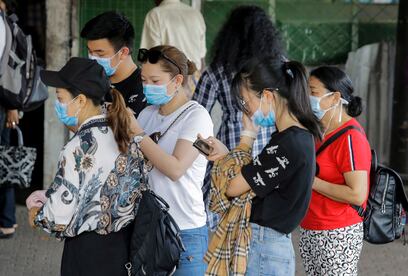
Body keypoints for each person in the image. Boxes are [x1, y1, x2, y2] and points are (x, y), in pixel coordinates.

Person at [25, 57, 147, 276]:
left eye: (60, 98)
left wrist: (36, 214)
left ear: (80, 100)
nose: (58, 104)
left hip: (87, 254)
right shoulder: (125, 135)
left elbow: (58, 217)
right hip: (124, 249)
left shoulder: (76, 148)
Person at [202, 57, 323, 275]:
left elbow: (233, 187)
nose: (247, 112)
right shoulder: (298, 137)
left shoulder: (286, 144)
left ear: (267, 95)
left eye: (246, 102)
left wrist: (247, 137)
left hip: (264, 246)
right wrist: (228, 155)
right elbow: (255, 174)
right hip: (271, 245)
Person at [192, 5, 284, 230]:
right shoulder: (279, 66)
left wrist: (207, 154)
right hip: (271, 149)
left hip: (229, 149)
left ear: (229, 36)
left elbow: (194, 115)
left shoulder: (218, 70)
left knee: (226, 217)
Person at [130, 45, 214, 275]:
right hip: (149, 227)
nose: (147, 87)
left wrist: (138, 134)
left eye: (155, 81)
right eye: (144, 80)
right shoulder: (147, 115)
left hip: (185, 232)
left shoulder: (198, 117)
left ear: (177, 81)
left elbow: (176, 168)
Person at [300, 66, 371, 276]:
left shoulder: (351, 138)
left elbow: (358, 194)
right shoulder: (318, 130)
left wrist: (312, 182)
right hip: (311, 228)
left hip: (337, 232)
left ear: (335, 97)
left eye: (313, 92)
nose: (307, 98)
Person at [81, 11, 146, 117]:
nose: (93, 58)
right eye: (90, 52)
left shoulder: (144, 89)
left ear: (123, 53)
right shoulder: (92, 81)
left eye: (100, 54)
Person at [141, 0, 206, 71]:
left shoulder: (155, 14)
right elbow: (202, 58)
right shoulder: (196, 14)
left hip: (170, 77)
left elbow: (151, 57)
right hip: (194, 77)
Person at [0, 0, 20, 239]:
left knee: (4, 162)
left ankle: (7, 220)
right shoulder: (7, 23)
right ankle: (7, 220)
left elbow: (7, 70)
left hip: (3, 103)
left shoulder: (3, 24)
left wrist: (12, 106)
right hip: (5, 104)